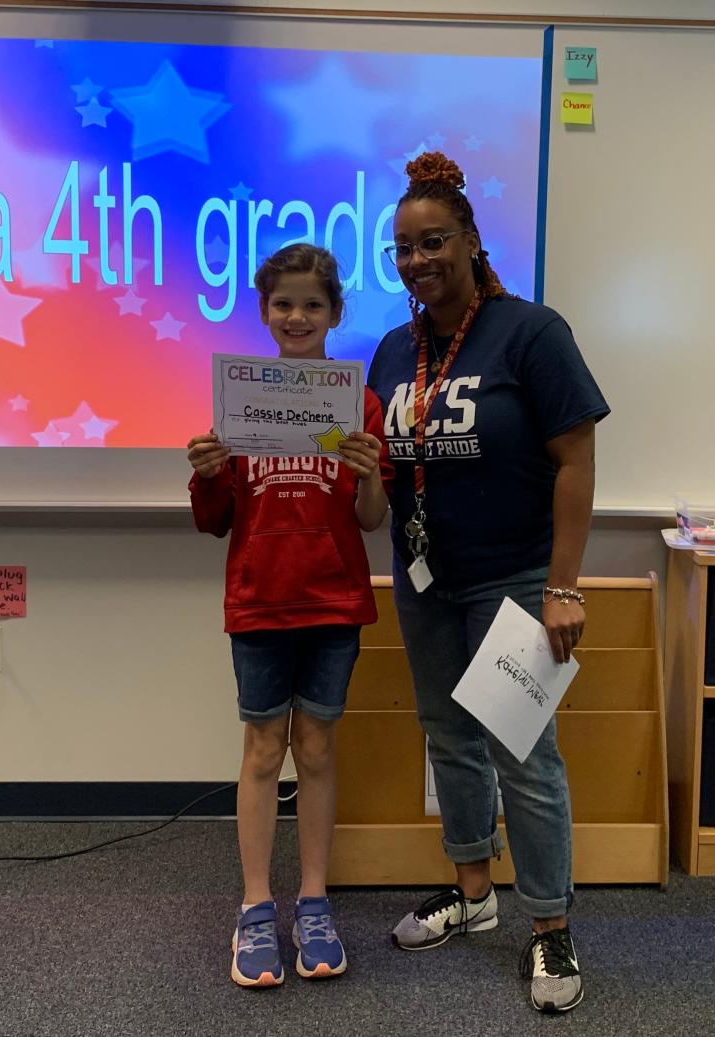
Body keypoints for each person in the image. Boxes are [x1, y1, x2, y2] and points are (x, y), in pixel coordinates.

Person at [367, 152, 610, 1014]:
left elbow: (576, 459)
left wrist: (565, 585)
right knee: (448, 734)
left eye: (434, 240)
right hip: (426, 578)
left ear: (470, 239)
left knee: (523, 751)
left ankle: (550, 927)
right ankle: (473, 893)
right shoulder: (395, 350)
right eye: (402, 247)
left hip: (516, 574)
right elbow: (384, 471)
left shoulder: (530, 332)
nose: (418, 259)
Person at [188, 243, 393, 988]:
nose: (297, 316)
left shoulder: (359, 401)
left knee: (316, 748)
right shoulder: (239, 396)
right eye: (283, 304)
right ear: (264, 312)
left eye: (312, 304)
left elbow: (372, 516)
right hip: (259, 597)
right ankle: (253, 905)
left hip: (334, 598)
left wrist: (371, 475)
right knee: (261, 749)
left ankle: (313, 900)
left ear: (335, 312)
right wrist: (207, 473)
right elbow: (215, 519)